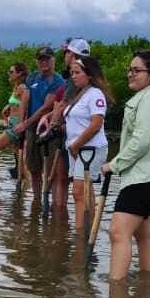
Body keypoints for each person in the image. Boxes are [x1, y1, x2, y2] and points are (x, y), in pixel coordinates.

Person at [102, 51, 150, 281]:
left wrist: (113, 165)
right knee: (145, 236)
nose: (130, 74)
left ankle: (116, 296)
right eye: (130, 69)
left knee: (118, 232)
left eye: (137, 70)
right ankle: (147, 291)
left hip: (148, 176)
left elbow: (142, 140)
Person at [41, 37, 91, 210]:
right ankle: (63, 226)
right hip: (72, 134)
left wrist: (53, 126)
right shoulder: (83, 76)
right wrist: (49, 116)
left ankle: (62, 220)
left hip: (71, 135)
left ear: (73, 54)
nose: (65, 55)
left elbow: (64, 105)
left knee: (65, 180)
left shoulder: (75, 79)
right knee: (72, 181)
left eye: (67, 52)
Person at [63, 54, 111, 232]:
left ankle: (80, 232)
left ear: (89, 74)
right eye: (72, 72)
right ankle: (88, 229)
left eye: (77, 72)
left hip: (90, 148)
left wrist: (76, 145)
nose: (73, 76)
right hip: (76, 149)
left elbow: (96, 124)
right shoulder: (79, 95)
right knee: (84, 191)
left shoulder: (95, 94)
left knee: (78, 191)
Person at [18, 47, 64, 194]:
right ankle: (37, 200)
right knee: (34, 168)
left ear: (53, 60)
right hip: (32, 129)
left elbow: (46, 107)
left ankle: (49, 199)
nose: (43, 62)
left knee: (50, 170)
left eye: (47, 59)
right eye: (40, 59)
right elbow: (25, 98)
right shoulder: (32, 77)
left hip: (48, 129)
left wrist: (26, 123)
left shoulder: (58, 81)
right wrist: (21, 123)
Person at [0, 62, 30, 184]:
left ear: (19, 73)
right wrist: (6, 109)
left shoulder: (22, 88)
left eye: (11, 72)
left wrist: (21, 124)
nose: (9, 74)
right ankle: (30, 189)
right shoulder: (16, 87)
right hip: (13, 123)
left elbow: (25, 106)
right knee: (20, 158)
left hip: (17, 125)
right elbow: (15, 103)